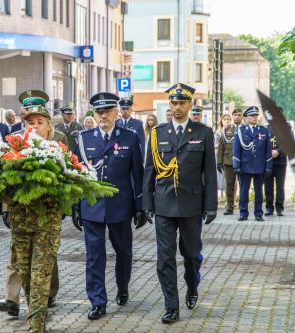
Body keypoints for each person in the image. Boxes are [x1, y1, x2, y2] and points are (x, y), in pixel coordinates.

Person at [142, 83, 218, 323]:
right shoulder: (157, 133)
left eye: (182, 103)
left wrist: (211, 205)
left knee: (192, 254)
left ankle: (192, 286)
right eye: (173, 103)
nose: (177, 108)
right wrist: (147, 203)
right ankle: (171, 306)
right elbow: (149, 171)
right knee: (165, 257)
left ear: (190, 105)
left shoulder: (203, 133)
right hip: (164, 203)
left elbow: (210, 173)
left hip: (191, 204)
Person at [73, 92, 146, 321]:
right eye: (99, 112)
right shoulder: (84, 138)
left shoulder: (130, 137)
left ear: (116, 112)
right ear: (94, 114)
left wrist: (140, 206)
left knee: (123, 252)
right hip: (92, 205)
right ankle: (97, 301)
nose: (103, 116)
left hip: (120, 206)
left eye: (107, 111)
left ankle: (122, 287)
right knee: (95, 255)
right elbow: (76, 174)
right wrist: (76, 206)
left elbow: (137, 174)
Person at [0, 90, 65, 324]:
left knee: (40, 276)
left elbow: (69, 184)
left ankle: (36, 325)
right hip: (21, 221)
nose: (35, 126)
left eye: (40, 122)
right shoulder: (13, 149)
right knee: (25, 274)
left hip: (47, 222)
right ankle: (33, 311)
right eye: (30, 122)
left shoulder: (58, 149)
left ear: (48, 125)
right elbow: (1, 184)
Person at [233, 107, 272, 221]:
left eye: (256, 116)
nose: (255, 118)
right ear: (247, 118)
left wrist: (268, 166)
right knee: (244, 191)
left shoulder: (263, 130)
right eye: (252, 116)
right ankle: (243, 213)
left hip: (259, 167)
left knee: (259, 192)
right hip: (245, 166)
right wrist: (236, 165)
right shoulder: (241, 131)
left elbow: (267, 150)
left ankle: (258, 213)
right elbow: (236, 149)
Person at [264, 108, 288, 216]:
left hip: (280, 162)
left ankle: (279, 208)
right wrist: (269, 152)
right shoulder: (265, 129)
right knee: (268, 186)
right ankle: (269, 208)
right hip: (268, 162)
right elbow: (262, 144)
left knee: (280, 186)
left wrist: (278, 151)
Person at [216, 114, 236, 215]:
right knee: (229, 185)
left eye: (229, 119)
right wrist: (219, 162)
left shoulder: (237, 128)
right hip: (228, 161)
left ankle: (243, 207)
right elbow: (220, 147)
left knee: (244, 185)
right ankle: (230, 207)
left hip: (242, 161)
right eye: (225, 119)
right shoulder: (223, 131)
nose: (227, 121)